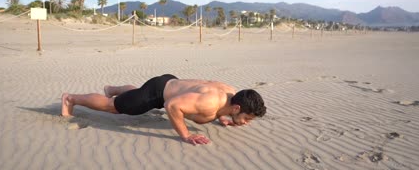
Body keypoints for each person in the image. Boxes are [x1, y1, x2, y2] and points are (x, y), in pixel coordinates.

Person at [61, 74, 266, 145]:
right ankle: (71, 98)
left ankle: (115, 89)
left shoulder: (232, 94)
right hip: (160, 92)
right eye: (247, 118)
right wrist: (185, 135)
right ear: (237, 107)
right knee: (114, 107)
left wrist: (223, 119)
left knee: (138, 96)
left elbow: (224, 108)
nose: (246, 122)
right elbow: (172, 106)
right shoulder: (210, 102)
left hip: (170, 83)